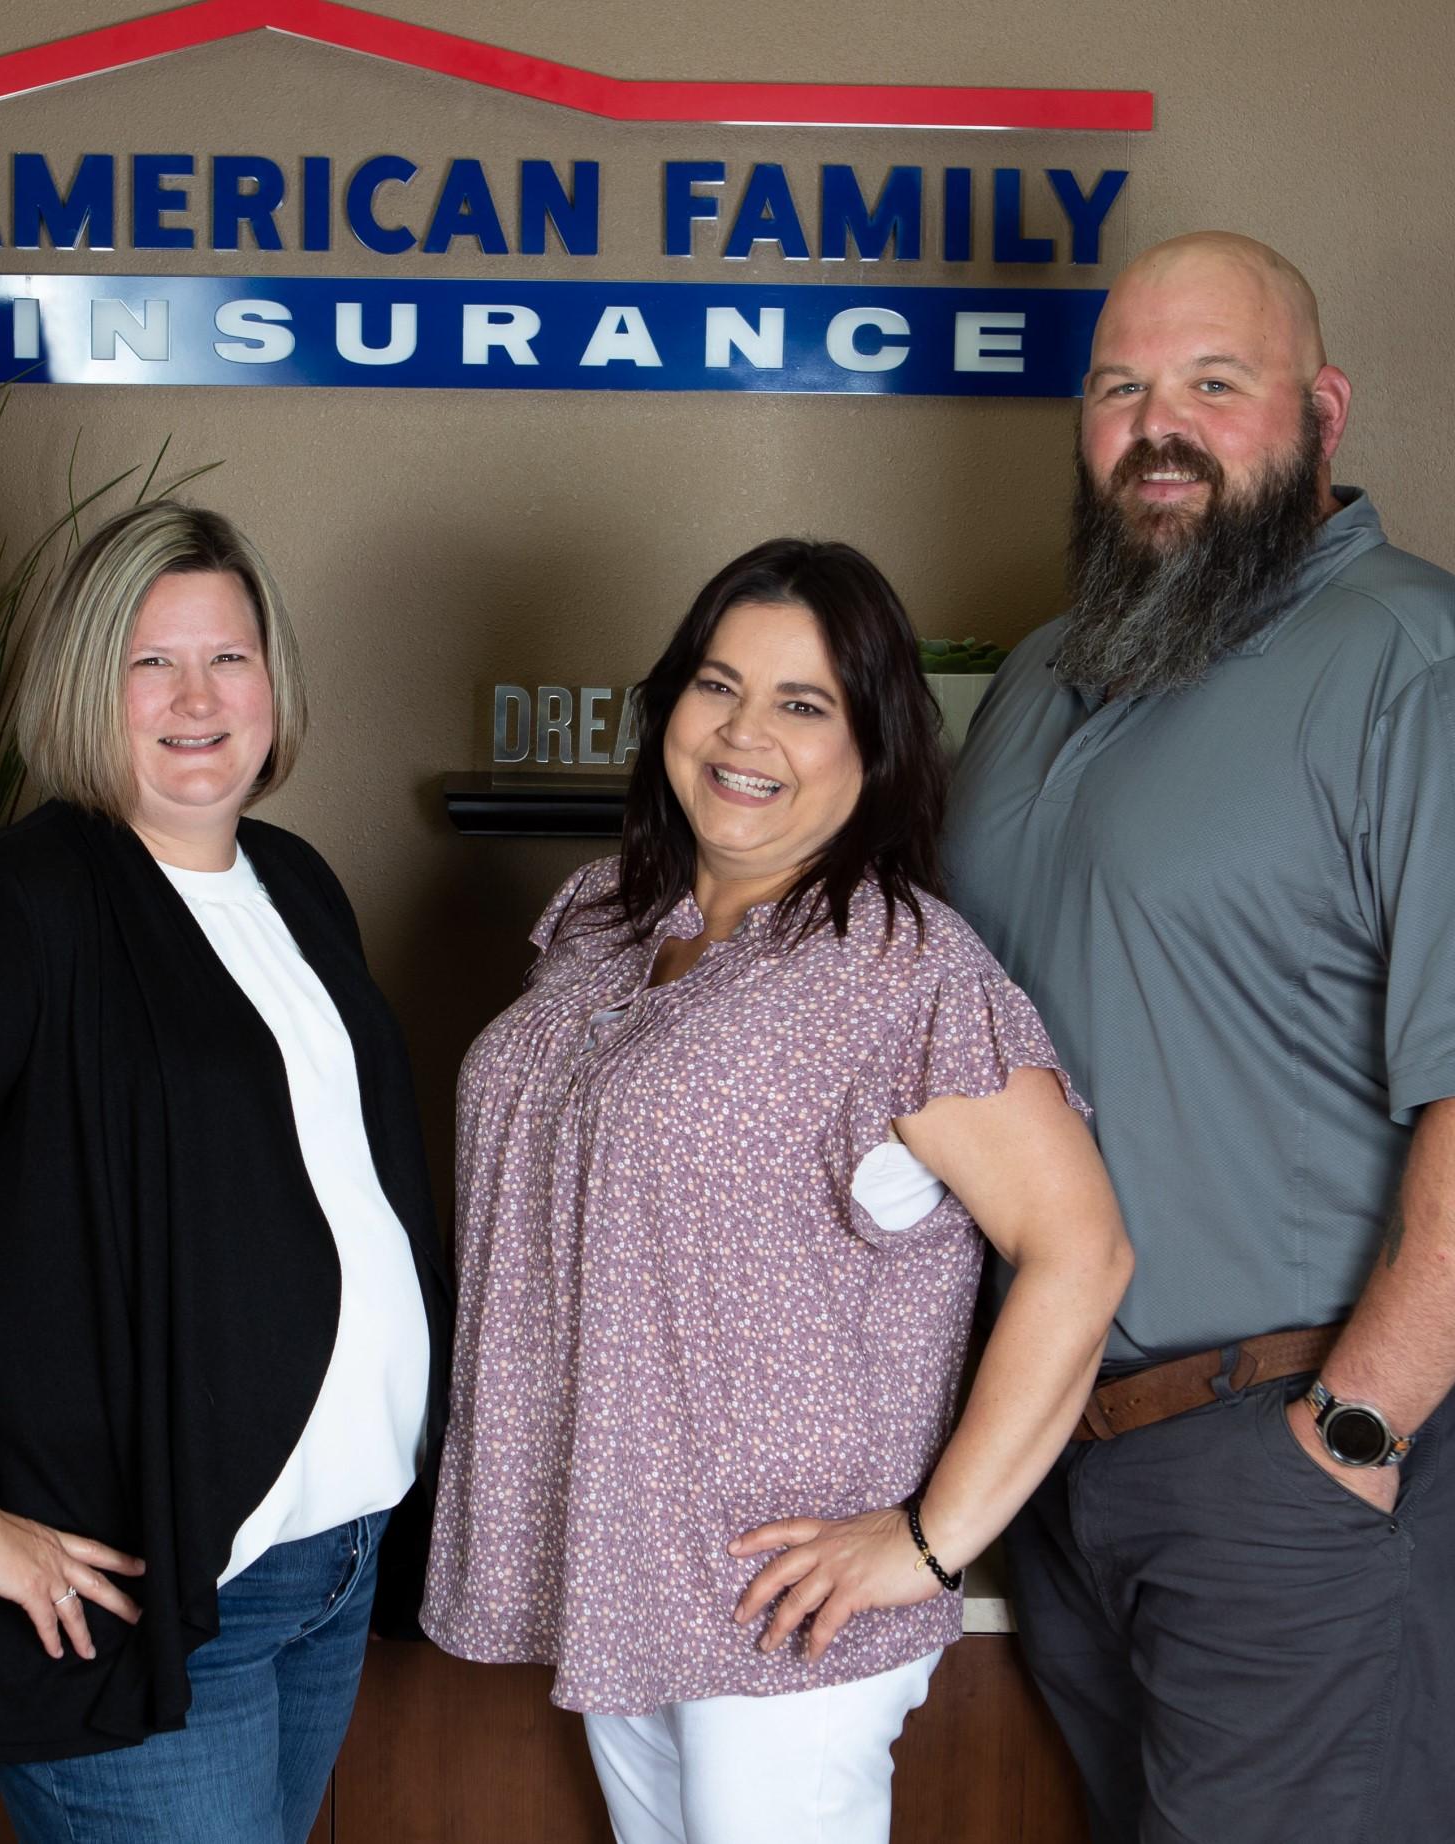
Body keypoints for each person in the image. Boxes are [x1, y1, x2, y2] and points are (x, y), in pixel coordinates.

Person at [943, 231, 1455, 1842]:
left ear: (1320, 411)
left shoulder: (1439, 673)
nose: (1157, 424)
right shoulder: (1052, 674)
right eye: (1120, 386)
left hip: (1297, 1427)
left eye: (1213, 383)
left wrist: (1351, 1429)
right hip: (1074, 1436)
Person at [423, 538, 1133, 1844]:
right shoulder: (606, 918)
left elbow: (1079, 1252)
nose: (744, 732)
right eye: (715, 685)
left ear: (874, 746)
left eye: (802, 704)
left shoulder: (898, 968)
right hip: (618, 1569)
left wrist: (926, 1541)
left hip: (781, 1603)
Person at [0, 500, 450, 1844]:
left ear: (272, 681)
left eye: (228, 658)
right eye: (151, 662)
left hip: (331, 1564)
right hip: (160, 1596)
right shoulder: (11, 902)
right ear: (88, 683)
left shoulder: (295, 883)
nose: (196, 698)